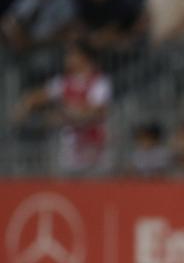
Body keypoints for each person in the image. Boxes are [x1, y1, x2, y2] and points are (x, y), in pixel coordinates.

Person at [15, 40, 112, 174]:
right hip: (71, 149)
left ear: (84, 57)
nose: (67, 58)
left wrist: (65, 114)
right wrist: (25, 105)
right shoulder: (64, 82)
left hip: (94, 147)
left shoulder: (99, 81)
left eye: (71, 55)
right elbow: (38, 96)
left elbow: (96, 112)